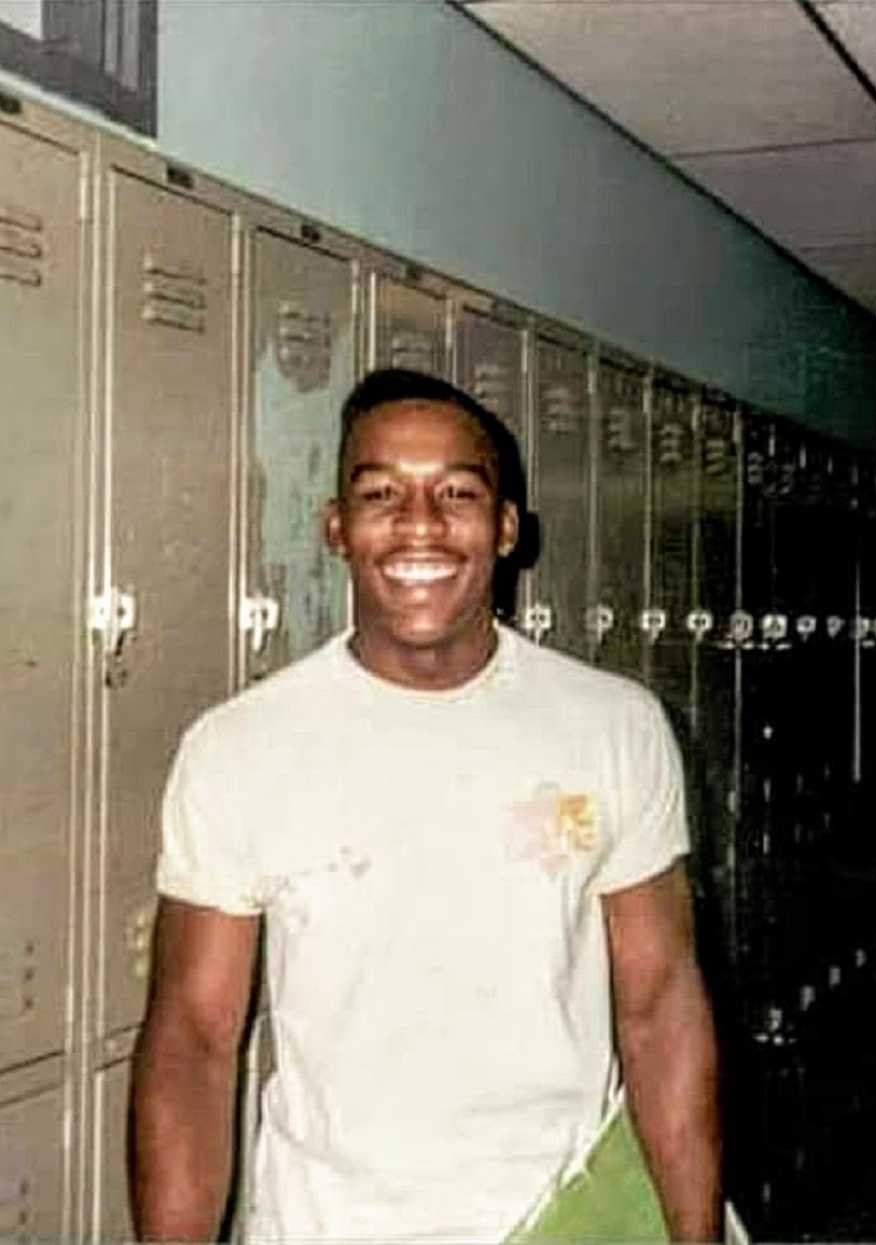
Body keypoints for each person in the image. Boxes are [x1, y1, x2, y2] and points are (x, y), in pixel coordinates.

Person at [130, 368, 720, 1243]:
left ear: (507, 527)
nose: (420, 524)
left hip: (564, 1219)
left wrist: (695, 1234)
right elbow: (192, 1041)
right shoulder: (238, 749)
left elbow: (662, 1005)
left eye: (456, 492)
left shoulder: (614, 727)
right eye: (380, 493)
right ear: (336, 528)